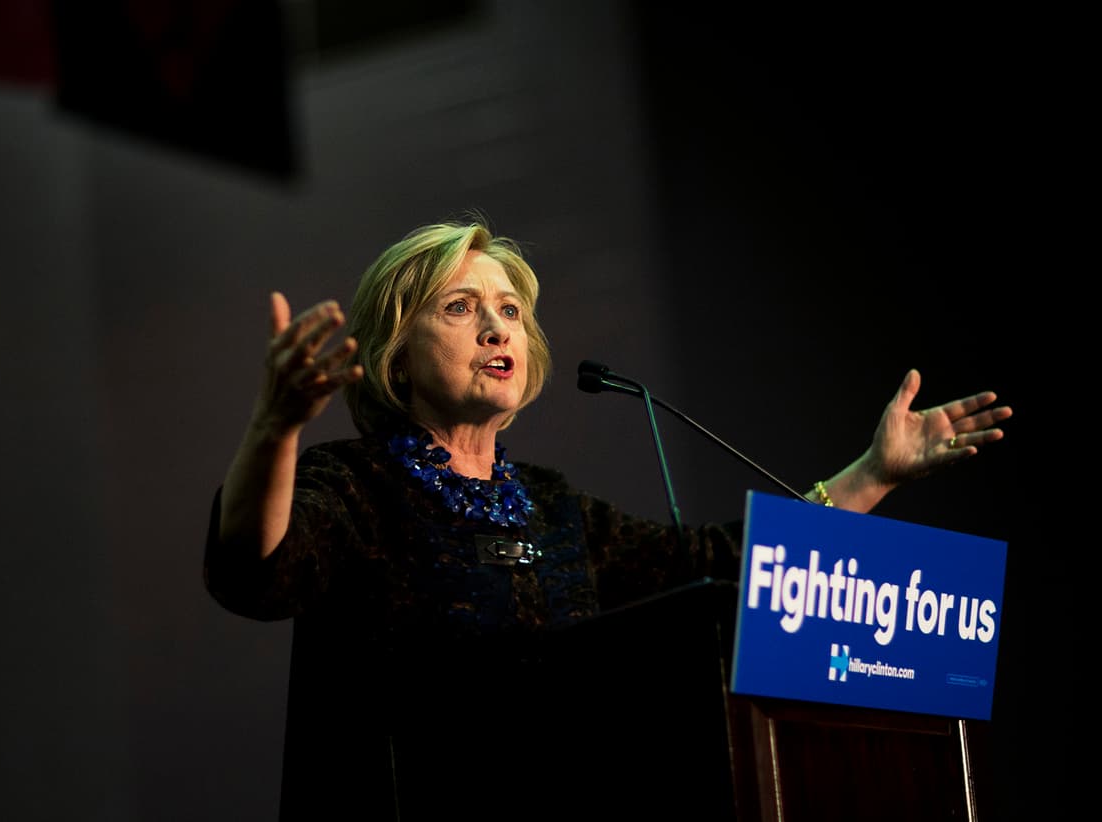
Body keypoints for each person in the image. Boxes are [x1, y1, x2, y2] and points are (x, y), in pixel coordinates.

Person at [203, 216, 1012, 821]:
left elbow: (727, 567)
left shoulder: (553, 507)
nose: (496, 326)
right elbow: (256, 569)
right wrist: (276, 426)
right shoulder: (357, 485)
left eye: (509, 310)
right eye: (459, 306)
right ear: (396, 354)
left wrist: (871, 475)